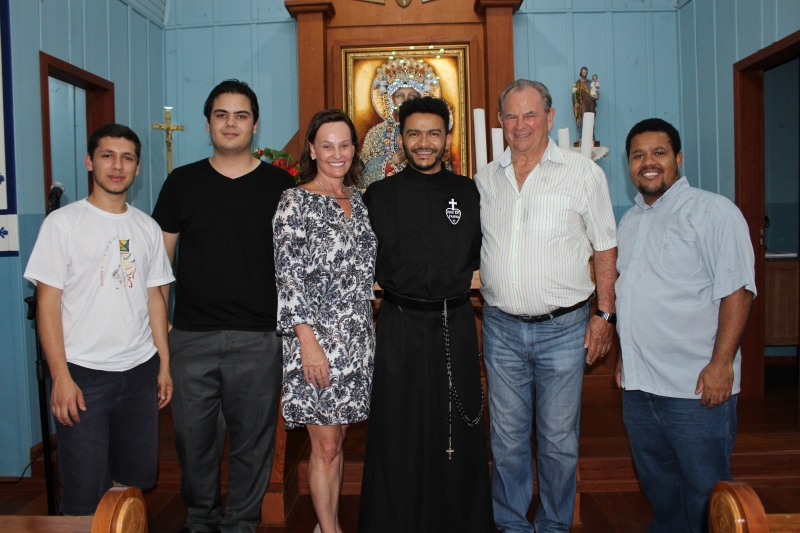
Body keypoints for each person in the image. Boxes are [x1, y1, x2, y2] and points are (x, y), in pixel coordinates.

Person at [152, 79, 296, 533]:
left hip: (259, 339)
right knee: (193, 441)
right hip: (191, 338)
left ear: (255, 125)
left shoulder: (281, 186)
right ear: (208, 124)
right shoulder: (181, 183)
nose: (230, 124)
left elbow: (295, 266)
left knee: (253, 445)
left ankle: (242, 525)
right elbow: (159, 268)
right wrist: (164, 339)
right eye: (221, 115)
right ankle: (201, 520)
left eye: (240, 116)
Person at [475, 79, 618, 533]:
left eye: (530, 114)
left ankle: (555, 525)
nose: (521, 125)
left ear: (550, 118)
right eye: (512, 116)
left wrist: (605, 315)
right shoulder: (485, 180)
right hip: (500, 328)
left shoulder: (582, 173)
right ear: (500, 121)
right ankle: (512, 524)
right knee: (507, 438)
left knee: (557, 440)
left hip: (564, 329)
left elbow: (605, 247)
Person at [358, 96, 493, 533]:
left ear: (446, 138)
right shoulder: (378, 196)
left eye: (433, 133)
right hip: (398, 323)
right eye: (413, 133)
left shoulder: (469, 193)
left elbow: (482, 255)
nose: (423, 142)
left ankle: (457, 521)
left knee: (456, 425)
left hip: (455, 322)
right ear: (400, 138)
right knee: (398, 427)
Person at [24, 123, 174, 515]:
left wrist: (164, 363)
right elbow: (48, 305)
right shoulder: (63, 224)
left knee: (133, 482)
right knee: (84, 492)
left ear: (137, 167)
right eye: (107, 156)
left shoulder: (147, 227)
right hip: (83, 374)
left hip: (139, 370)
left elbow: (155, 299)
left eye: (127, 158)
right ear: (90, 162)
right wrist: (60, 376)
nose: (117, 166)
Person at [615, 118, 755, 533]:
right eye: (638, 155)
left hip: (694, 386)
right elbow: (631, 294)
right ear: (629, 166)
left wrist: (722, 364)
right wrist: (625, 357)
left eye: (658, 153)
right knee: (660, 487)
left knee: (705, 491)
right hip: (641, 387)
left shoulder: (714, 212)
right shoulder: (630, 221)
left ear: (678, 158)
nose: (648, 162)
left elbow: (737, 291)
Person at [273, 109, 377, 533]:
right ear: (312, 150)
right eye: (327, 145)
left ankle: (325, 523)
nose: (337, 153)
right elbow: (288, 277)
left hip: (358, 337)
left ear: (354, 149)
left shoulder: (361, 201)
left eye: (345, 144)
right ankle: (330, 529)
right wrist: (307, 343)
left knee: (340, 438)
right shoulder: (294, 202)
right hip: (315, 340)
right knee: (327, 445)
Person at [358, 57, 453, 188]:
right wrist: (390, 162)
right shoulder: (376, 133)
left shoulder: (464, 188)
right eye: (399, 96)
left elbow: (445, 170)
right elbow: (363, 174)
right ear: (391, 99)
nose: (405, 100)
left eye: (412, 96)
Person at [572, 67, 598, 138]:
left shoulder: (591, 84)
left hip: (590, 107)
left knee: (590, 123)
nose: (584, 74)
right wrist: (576, 103)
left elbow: (595, 95)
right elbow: (574, 97)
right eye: (583, 72)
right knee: (582, 122)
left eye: (586, 73)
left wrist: (596, 93)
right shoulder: (577, 84)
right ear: (581, 73)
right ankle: (582, 137)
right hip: (581, 107)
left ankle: (591, 138)